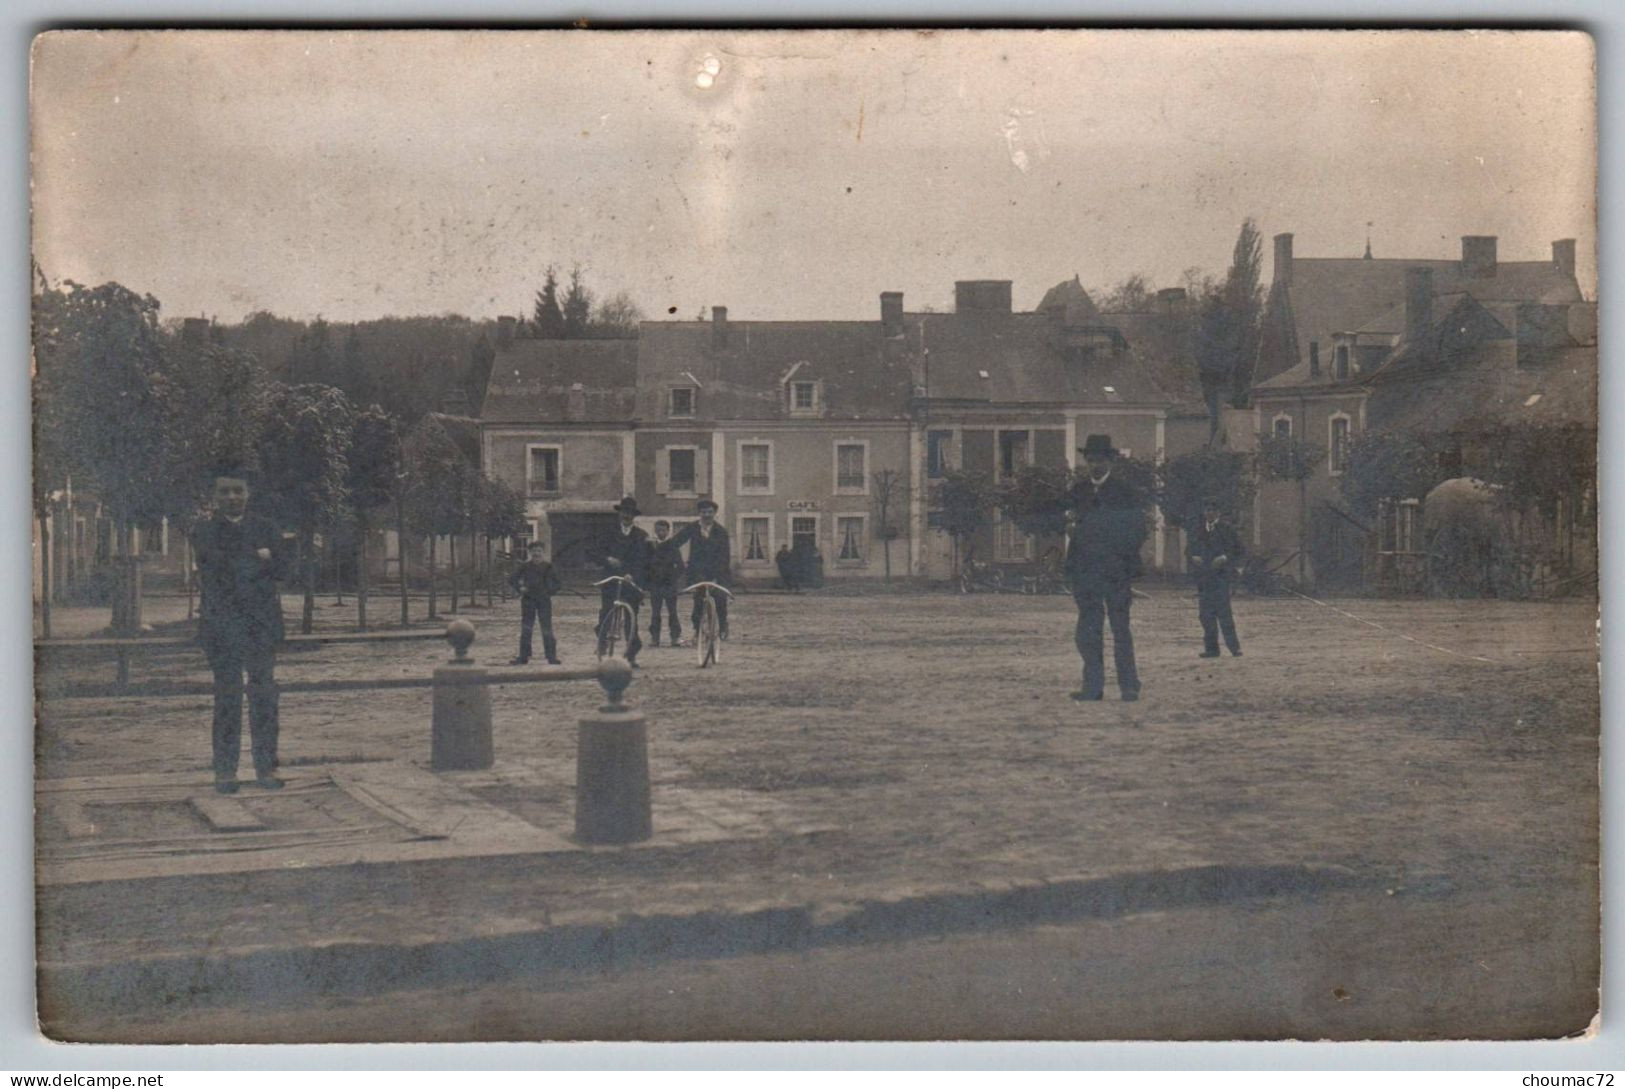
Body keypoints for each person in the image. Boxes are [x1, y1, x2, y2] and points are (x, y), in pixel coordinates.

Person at [191, 468, 288, 794]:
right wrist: (259, 558)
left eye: (238, 491)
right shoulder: (204, 531)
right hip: (222, 626)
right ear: (214, 497)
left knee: (264, 697)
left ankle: (267, 769)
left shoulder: (267, 527)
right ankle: (225, 773)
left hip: (261, 626)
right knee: (227, 697)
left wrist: (255, 561)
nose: (232, 497)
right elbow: (212, 564)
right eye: (225, 492)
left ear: (249, 493)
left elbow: (286, 569)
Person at [1064, 434, 1147, 702]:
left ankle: (1129, 685)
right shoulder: (1078, 491)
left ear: (1110, 461)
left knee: (1120, 628)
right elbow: (1064, 521)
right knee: (1089, 631)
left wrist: (1119, 556)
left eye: (1099, 460)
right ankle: (1093, 687)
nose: (1094, 465)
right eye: (1090, 460)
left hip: (1115, 572)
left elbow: (1138, 531)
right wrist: (1070, 529)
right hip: (1086, 572)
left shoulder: (1126, 491)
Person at [1186, 497, 1245, 658]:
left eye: (1212, 510)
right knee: (1206, 616)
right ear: (1203, 512)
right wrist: (1194, 557)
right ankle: (1211, 649)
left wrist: (1225, 557)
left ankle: (1234, 648)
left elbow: (1239, 550)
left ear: (1218, 512)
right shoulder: (1198, 530)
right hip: (1204, 578)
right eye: (1207, 510)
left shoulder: (1226, 529)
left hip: (1221, 577)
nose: (1209, 513)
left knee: (1224, 613)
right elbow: (1189, 549)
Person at [595, 496, 651, 665]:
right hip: (611, 580)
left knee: (631, 618)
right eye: (624, 512)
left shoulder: (641, 535)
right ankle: (602, 642)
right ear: (619, 514)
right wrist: (607, 559)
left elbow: (644, 560)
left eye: (630, 514)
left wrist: (633, 574)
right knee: (606, 613)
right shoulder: (607, 532)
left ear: (634, 516)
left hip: (631, 582)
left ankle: (631, 655)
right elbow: (594, 552)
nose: (626, 516)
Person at [669, 497, 731, 639]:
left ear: (715, 513)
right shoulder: (692, 528)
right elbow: (675, 542)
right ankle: (697, 630)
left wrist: (717, 577)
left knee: (720, 599)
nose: (707, 515)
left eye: (710, 512)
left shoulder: (721, 532)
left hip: (718, 572)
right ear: (699, 513)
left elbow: (725, 556)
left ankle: (722, 626)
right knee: (698, 601)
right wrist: (678, 561)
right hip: (697, 572)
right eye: (703, 512)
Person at [507, 541, 562, 665]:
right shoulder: (525, 566)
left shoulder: (548, 566)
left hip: (544, 600)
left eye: (539, 551)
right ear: (530, 552)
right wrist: (520, 588)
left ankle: (551, 657)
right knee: (526, 628)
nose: (536, 553)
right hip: (528, 600)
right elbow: (512, 579)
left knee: (547, 628)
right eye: (534, 551)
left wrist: (549, 591)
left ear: (543, 552)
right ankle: (524, 656)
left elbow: (558, 583)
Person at [646, 519, 684, 647]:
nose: (660, 533)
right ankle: (655, 637)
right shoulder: (651, 546)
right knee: (655, 612)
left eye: (663, 530)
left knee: (672, 611)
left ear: (668, 531)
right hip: (655, 584)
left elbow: (680, 566)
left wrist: (674, 578)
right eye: (658, 530)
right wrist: (650, 578)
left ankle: (675, 637)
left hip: (669, 584)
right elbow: (647, 564)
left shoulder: (673, 546)